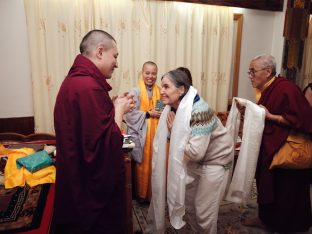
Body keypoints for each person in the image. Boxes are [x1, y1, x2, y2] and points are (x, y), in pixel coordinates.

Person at [53, 29, 135, 234]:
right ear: (100, 51)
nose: (116, 63)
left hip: (76, 177)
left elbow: (91, 130)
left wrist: (113, 106)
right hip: (90, 192)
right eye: (115, 56)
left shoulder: (76, 82)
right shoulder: (88, 87)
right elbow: (106, 145)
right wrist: (118, 110)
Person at [148, 69, 234, 233]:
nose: (162, 91)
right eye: (162, 86)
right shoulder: (171, 107)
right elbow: (168, 137)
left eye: (166, 87)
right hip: (191, 159)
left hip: (215, 160)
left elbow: (195, 152)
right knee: (189, 205)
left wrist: (174, 132)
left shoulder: (200, 110)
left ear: (181, 90)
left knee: (203, 211)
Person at [241, 54, 312, 232]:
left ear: (267, 71)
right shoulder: (268, 88)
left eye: (252, 71)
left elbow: (303, 120)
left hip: (286, 149)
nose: (249, 75)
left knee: (285, 190)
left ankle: (285, 226)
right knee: (267, 185)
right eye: (249, 71)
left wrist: (270, 116)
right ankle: (265, 219)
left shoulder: (287, 89)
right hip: (269, 145)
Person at [124, 61, 161, 202]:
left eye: (153, 73)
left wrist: (157, 112)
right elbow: (129, 114)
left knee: (155, 163)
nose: (150, 76)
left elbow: (159, 110)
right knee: (139, 163)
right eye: (147, 73)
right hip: (139, 133)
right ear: (142, 73)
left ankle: (152, 194)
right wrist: (147, 114)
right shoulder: (135, 91)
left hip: (156, 133)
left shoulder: (159, 90)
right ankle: (140, 194)